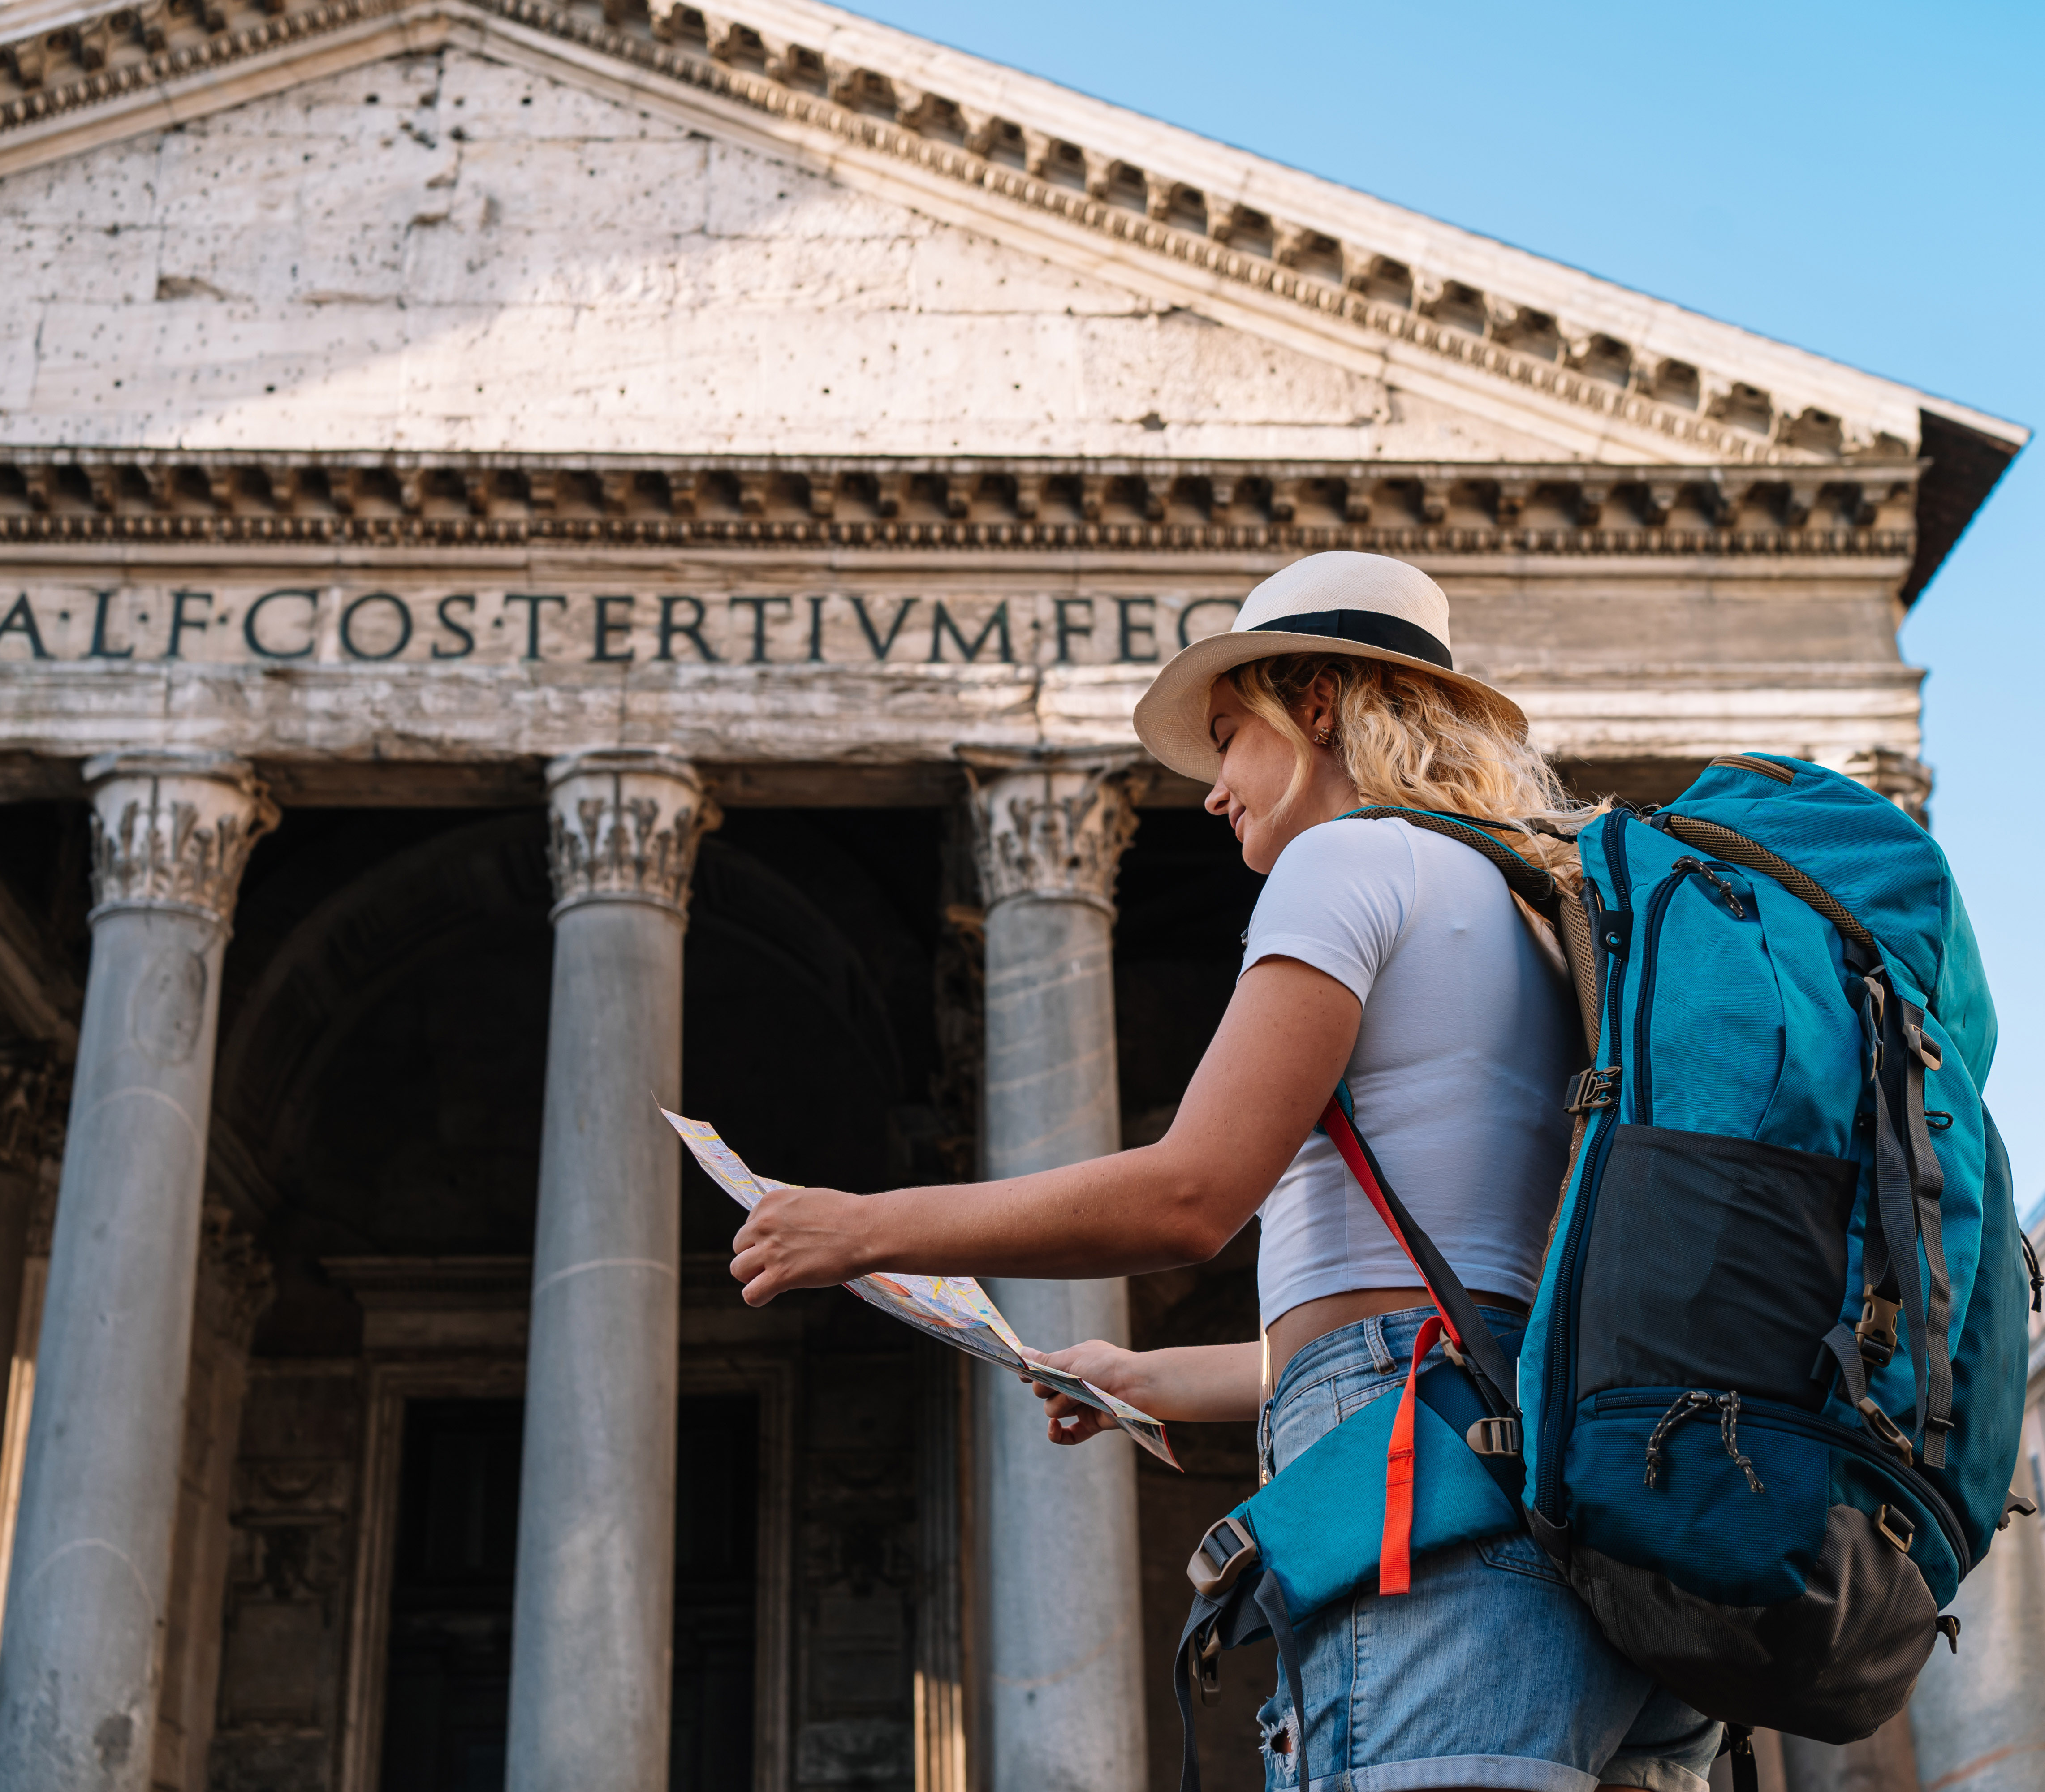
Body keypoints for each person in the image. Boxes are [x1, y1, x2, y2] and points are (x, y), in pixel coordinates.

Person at [729, 551, 1724, 1791]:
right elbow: (1454, 1310)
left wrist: (869, 1228)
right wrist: (1142, 1374)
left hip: (1437, 1520)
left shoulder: (1350, 863)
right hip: (1577, 1519)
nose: (1211, 793)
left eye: (1229, 737)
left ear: (1318, 706)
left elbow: (1193, 1197)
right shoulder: (1534, 907)